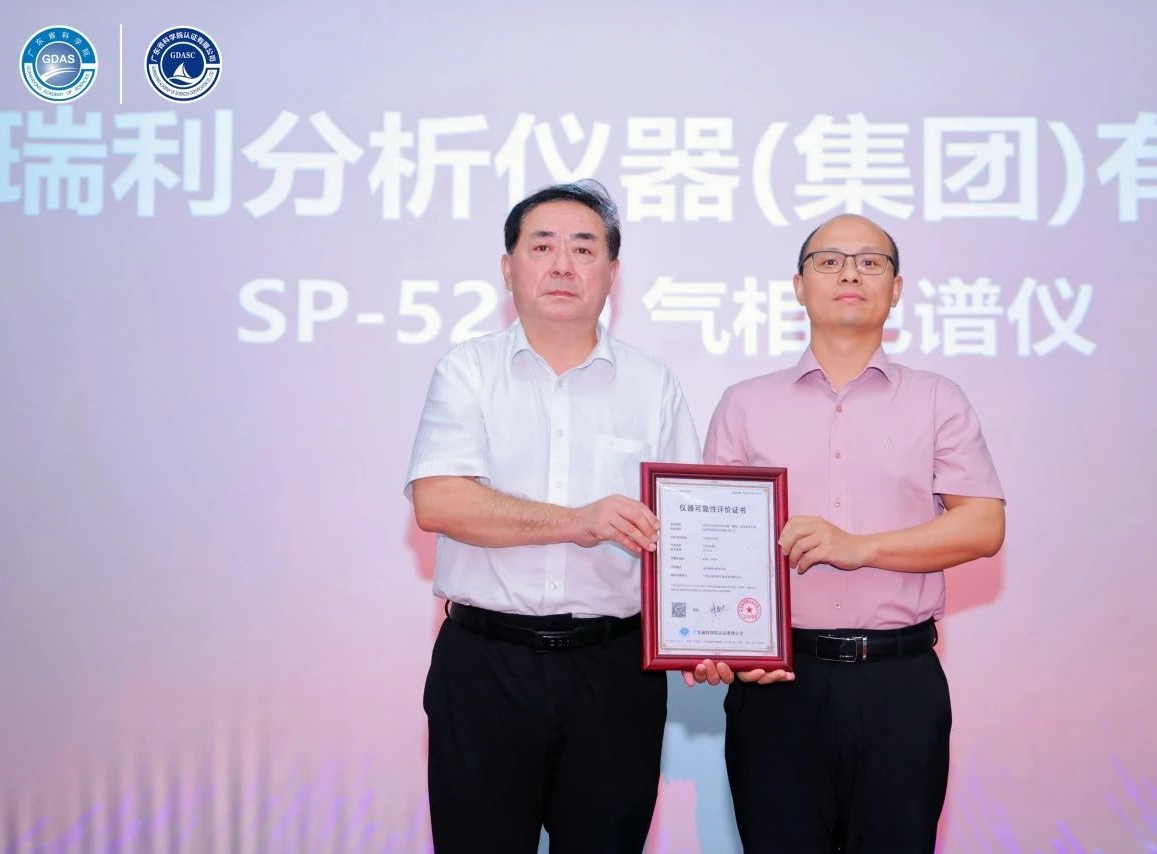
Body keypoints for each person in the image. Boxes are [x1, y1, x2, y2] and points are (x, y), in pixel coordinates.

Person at [689, 214, 1006, 853]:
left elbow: (983, 524)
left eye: (870, 262)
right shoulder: (745, 404)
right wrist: (720, 641)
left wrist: (860, 548)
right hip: (778, 686)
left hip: (898, 682)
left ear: (896, 289)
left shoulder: (937, 399)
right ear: (799, 286)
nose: (850, 274)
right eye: (830, 261)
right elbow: (712, 544)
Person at [404, 180, 700, 853]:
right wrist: (579, 521)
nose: (563, 265)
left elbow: (686, 531)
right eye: (542, 247)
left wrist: (705, 636)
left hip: (615, 671)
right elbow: (439, 501)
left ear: (613, 273)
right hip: (486, 666)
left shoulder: (653, 386)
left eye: (584, 249)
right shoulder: (467, 371)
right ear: (508, 269)